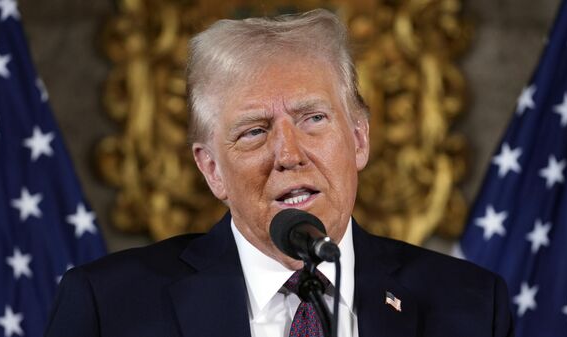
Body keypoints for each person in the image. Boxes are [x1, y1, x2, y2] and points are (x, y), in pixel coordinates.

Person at [45, 9, 513, 337]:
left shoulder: (470, 305)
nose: (288, 154)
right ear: (212, 170)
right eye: (253, 131)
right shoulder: (108, 307)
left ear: (360, 139)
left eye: (313, 119)